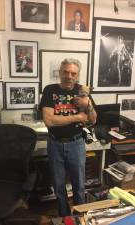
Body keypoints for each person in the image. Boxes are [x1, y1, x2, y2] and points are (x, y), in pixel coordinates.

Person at [39, 58, 97, 216]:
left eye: (73, 73)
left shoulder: (82, 91)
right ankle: (65, 217)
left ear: (77, 76)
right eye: (66, 72)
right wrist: (78, 117)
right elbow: (49, 120)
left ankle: (80, 216)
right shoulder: (50, 90)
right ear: (60, 72)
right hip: (55, 144)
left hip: (76, 144)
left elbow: (93, 120)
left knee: (79, 185)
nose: (69, 76)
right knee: (58, 185)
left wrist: (88, 105)